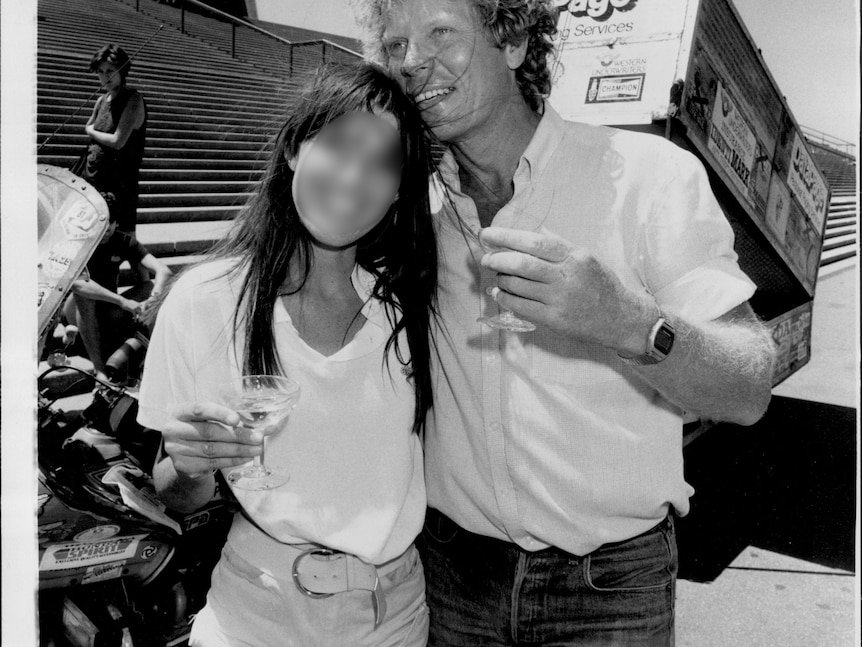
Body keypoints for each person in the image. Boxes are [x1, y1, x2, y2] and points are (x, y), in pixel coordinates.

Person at [353, 0, 776, 644]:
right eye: (394, 44)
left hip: (608, 592)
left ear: (514, 41)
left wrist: (631, 323)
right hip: (451, 576)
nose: (412, 63)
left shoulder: (648, 176)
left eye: (441, 32)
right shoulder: (403, 202)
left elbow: (748, 388)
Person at [137, 64, 437, 646]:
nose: (355, 176)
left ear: (400, 188)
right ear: (296, 150)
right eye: (340, 145)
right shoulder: (205, 300)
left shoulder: (407, 308)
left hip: (391, 619)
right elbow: (173, 487)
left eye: (383, 161)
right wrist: (193, 467)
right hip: (254, 611)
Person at [65, 217, 172, 380]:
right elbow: (79, 284)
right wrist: (123, 302)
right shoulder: (79, 243)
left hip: (108, 308)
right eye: (101, 222)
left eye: (110, 222)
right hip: (76, 311)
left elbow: (164, 271)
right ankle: (99, 370)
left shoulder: (123, 240)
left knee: (150, 288)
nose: (106, 227)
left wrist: (153, 299)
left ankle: (155, 353)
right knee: (83, 295)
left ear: (117, 222)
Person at [71, 44, 147, 236]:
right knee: (92, 240)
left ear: (123, 71)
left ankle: (156, 268)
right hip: (95, 178)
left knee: (125, 243)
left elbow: (117, 140)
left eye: (111, 71)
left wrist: (89, 130)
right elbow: (90, 127)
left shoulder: (133, 99)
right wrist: (89, 130)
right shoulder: (101, 100)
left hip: (119, 183)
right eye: (101, 72)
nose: (105, 76)